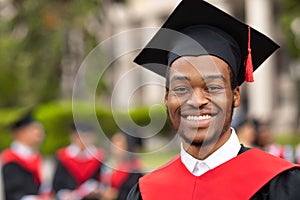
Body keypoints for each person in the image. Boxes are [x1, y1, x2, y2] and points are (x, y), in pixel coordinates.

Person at [127, 0, 300, 199]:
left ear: (235, 95)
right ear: (167, 98)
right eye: (181, 88)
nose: (197, 100)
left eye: (213, 87)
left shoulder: (281, 185)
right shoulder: (146, 192)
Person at [1, 111, 52, 200]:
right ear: (21, 133)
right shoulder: (9, 159)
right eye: (34, 129)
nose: (40, 133)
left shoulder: (37, 157)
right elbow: (12, 194)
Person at [52, 123, 105, 200]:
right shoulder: (62, 156)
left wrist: (98, 190)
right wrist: (64, 194)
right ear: (73, 137)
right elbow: (57, 184)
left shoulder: (98, 157)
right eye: (79, 136)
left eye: (87, 137)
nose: (83, 140)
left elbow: (103, 182)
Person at [101, 132, 143, 200]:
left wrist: (116, 194)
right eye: (113, 142)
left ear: (128, 146)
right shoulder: (111, 166)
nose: (114, 146)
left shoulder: (135, 169)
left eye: (118, 142)